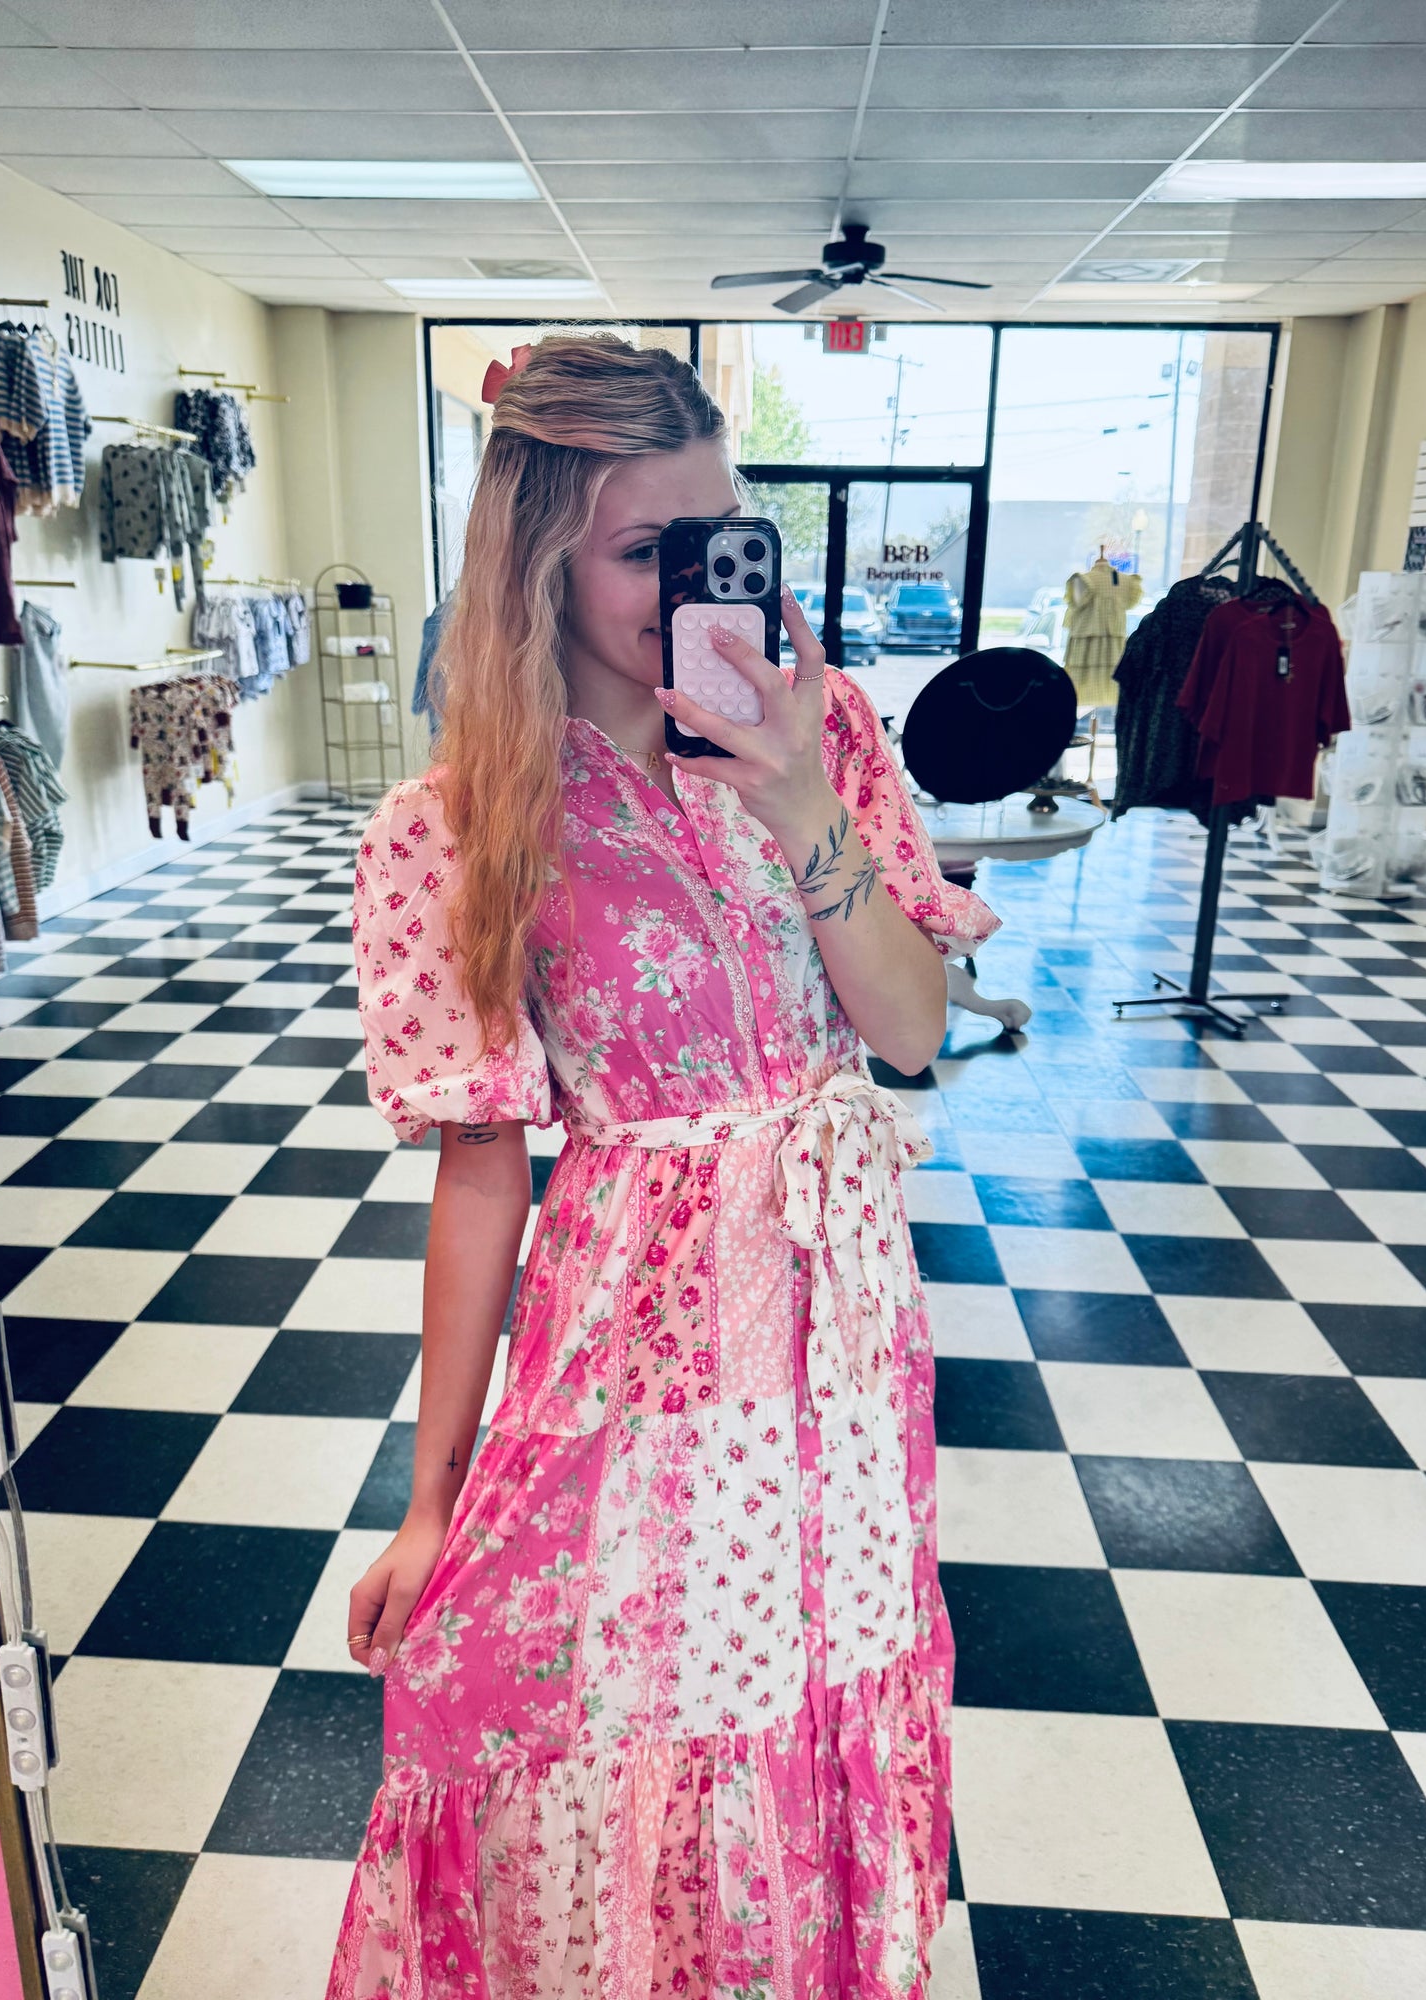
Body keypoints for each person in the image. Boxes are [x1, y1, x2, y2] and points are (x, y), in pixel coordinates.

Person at [326, 334, 1000, 1999]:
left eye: (718, 538)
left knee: (815, 1668)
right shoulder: (461, 823)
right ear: (539, 561)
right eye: (645, 550)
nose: (693, 582)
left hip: (843, 1319)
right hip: (636, 1315)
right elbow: (481, 1173)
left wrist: (800, 801)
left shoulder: (828, 733)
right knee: (597, 1686)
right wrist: (431, 1501)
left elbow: (912, 1032)